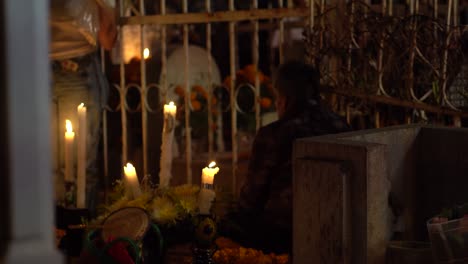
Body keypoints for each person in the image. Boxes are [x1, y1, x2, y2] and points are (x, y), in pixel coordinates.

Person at [225, 61, 351, 253]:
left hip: (282, 233)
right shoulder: (340, 126)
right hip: (335, 226)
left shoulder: (275, 134)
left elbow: (250, 199)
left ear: (283, 99)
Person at [50, 0, 117, 210]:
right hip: (35, 68)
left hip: (77, 69)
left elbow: (108, 40)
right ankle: (54, 235)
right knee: (47, 166)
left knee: (79, 166)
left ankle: (79, 233)